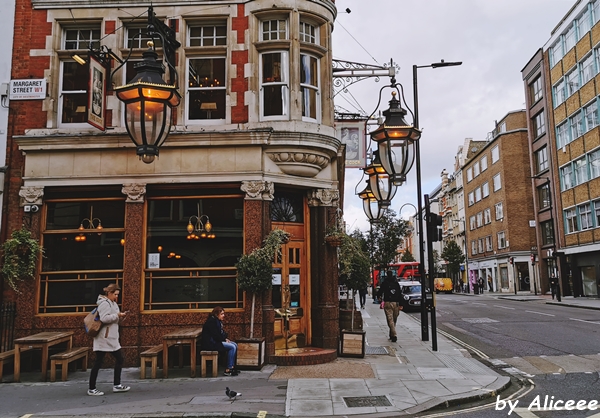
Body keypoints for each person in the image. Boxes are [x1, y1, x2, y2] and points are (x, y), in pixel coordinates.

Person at [88, 284, 130, 396]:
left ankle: (116, 385)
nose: (116, 297)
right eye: (115, 294)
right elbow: (104, 318)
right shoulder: (105, 303)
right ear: (109, 293)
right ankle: (92, 388)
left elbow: (114, 319)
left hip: (111, 337)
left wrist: (121, 316)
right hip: (104, 338)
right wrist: (117, 315)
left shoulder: (113, 303)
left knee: (115, 359)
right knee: (100, 362)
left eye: (117, 295)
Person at [201, 306, 239, 376]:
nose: (223, 316)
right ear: (216, 314)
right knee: (232, 347)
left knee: (235, 345)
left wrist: (225, 339)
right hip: (211, 343)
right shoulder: (211, 322)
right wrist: (224, 339)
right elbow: (216, 335)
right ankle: (228, 369)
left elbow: (220, 334)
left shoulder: (217, 321)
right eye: (221, 314)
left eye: (223, 314)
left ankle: (232, 366)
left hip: (216, 341)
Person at [377, 271, 402, 342]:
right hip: (396, 303)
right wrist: (401, 304)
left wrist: (379, 297)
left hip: (388, 302)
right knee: (394, 319)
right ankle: (392, 334)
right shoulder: (396, 283)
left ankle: (393, 334)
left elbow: (380, 291)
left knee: (390, 319)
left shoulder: (385, 283)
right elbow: (400, 293)